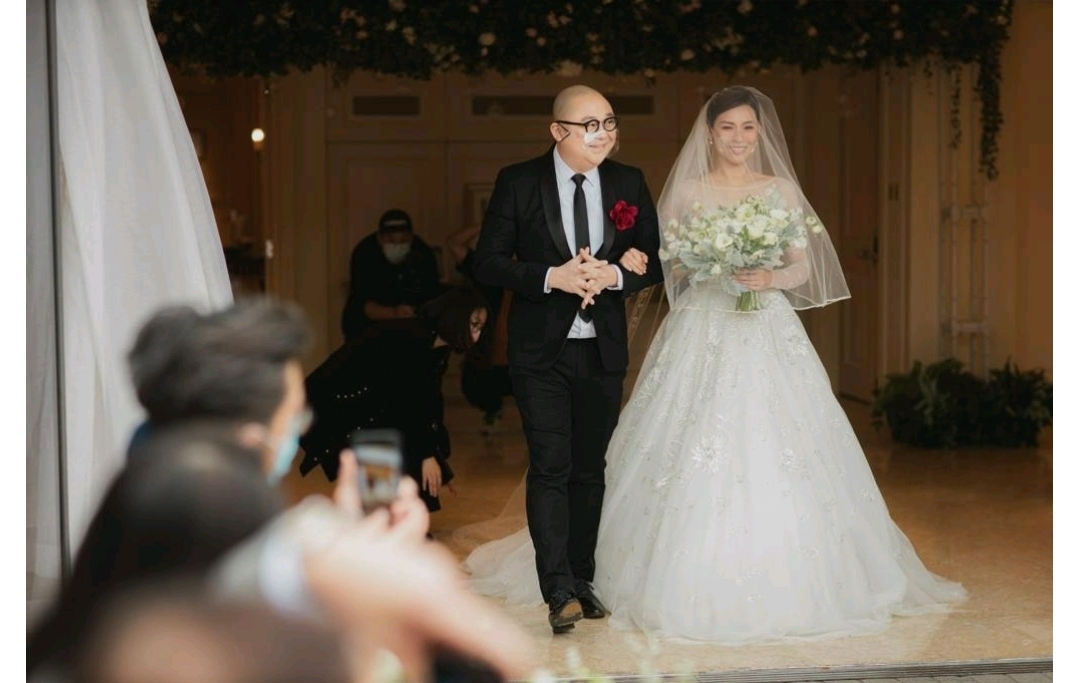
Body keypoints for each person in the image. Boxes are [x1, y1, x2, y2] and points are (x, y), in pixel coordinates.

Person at [463, 86, 967, 643]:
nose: (739, 138)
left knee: (618, 464)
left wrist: (766, 276)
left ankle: (582, 578)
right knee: (574, 461)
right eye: (727, 127)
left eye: (748, 128)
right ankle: (563, 587)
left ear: (761, 133)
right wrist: (697, 263)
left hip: (762, 329)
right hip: (689, 327)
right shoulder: (681, 191)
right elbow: (666, 261)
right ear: (709, 134)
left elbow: (791, 266)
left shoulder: (770, 190)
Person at [472, 84, 663, 634]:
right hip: (541, 351)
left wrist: (615, 274)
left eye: (610, 122)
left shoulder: (628, 181)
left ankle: (582, 579)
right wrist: (550, 276)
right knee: (550, 465)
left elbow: (653, 260)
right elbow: (487, 262)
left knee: (589, 469)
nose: (604, 134)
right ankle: (557, 589)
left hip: (602, 347)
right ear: (558, 131)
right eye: (590, 125)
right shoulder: (518, 181)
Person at [300, 286, 491, 513]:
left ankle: (383, 512)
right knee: (389, 449)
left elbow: (426, 403)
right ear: (455, 318)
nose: (477, 336)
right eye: (473, 325)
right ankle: (377, 514)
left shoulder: (435, 345)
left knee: (406, 460)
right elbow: (403, 404)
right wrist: (427, 456)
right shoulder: (413, 337)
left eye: (480, 328)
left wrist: (436, 460)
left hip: (371, 407)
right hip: (341, 404)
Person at [446, 225, 513, 433]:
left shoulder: (538, 270)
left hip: (527, 357)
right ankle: (492, 409)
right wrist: (487, 223)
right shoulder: (488, 270)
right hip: (487, 357)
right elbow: (454, 244)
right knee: (475, 385)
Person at [341, 209, 444, 341]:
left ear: (411, 238)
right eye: (390, 239)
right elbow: (361, 302)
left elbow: (431, 296)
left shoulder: (423, 254)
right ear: (380, 238)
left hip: (411, 331)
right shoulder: (365, 253)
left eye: (403, 240)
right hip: (367, 331)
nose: (397, 245)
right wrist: (393, 313)